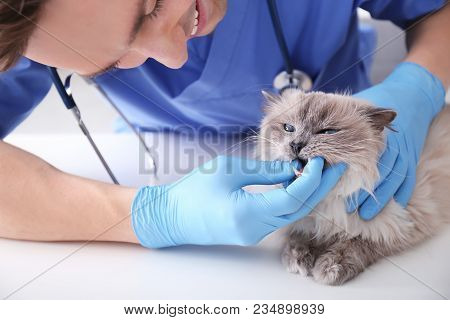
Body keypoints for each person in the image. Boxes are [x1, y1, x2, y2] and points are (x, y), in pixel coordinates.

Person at [0, 0, 448, 248]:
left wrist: (419, 83)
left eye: (153, 6)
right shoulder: (24, 28)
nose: (174, 58)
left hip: (354, 174)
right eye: (114, 62)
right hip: (160, 162)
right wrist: (144, 216)